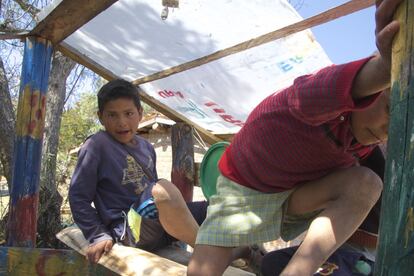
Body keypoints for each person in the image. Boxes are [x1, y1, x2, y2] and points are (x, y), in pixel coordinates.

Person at [187, 0, 402, 275]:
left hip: (293, 197)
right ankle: (241, 250)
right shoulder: (318, 101)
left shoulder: (365, 143)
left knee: (367, 184)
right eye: (388, 108)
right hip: (242, 191)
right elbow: (331, 86)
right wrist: (384, 69)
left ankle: (297, 272)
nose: (387, 129)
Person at [69, 79, 206, 263]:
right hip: (129, 229)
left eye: (128, 113)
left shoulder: (146, 147)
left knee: (212, 208)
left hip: (157, 227)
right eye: (112, 115)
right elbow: (78, 197)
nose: (122, 122)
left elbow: (154, 197)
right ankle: (207, 253)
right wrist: (98, 235)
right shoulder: (97, 145)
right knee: (163, 188)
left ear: (140, 113)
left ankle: (246, 253)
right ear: (100, 117)